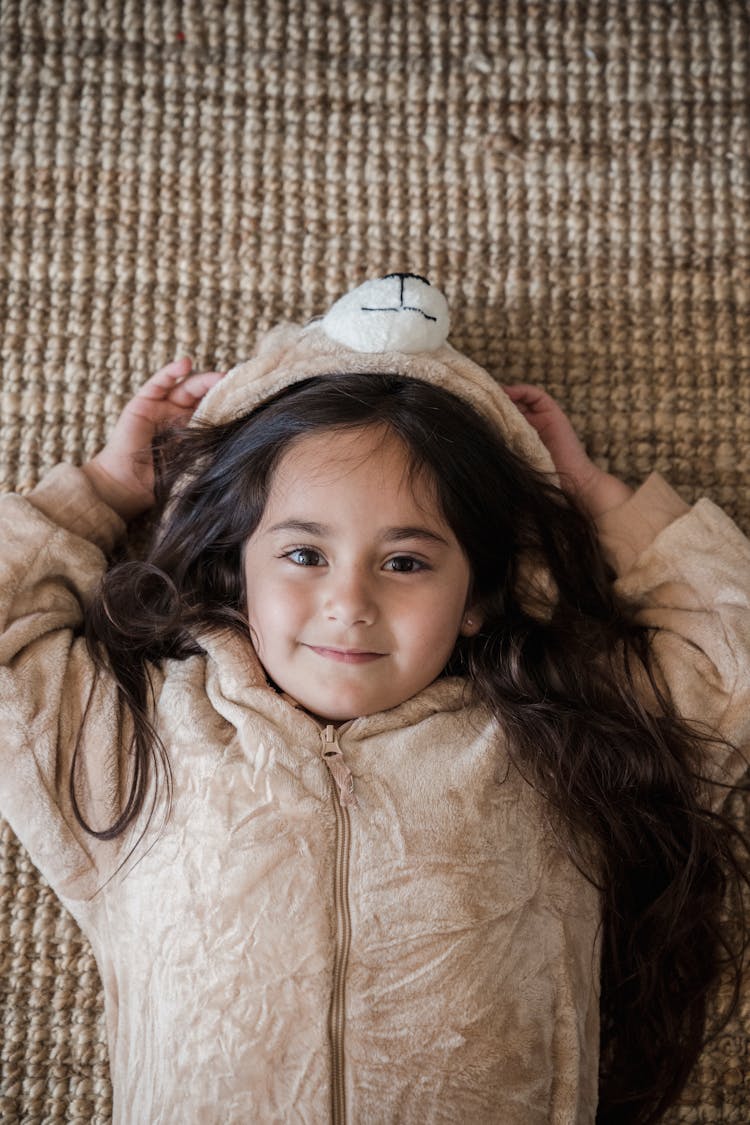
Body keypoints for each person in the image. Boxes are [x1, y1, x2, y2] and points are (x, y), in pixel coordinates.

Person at [1, 274, 748, 1125]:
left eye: (405, 562)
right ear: (236, 565)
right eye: (303, 554)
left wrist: (593, 497)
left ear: (478, 597)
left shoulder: (558, 748)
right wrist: (102, 490)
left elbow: (731, 652)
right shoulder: (138, 743)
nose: (348, 601)